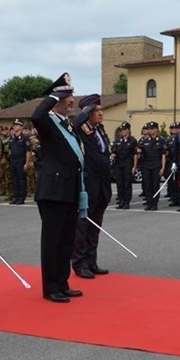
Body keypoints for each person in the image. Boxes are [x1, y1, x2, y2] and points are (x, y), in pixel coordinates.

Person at [30, 73, 85, 302]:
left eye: (71, 94)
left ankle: (62, 282)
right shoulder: (48, 122)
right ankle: (50, 287)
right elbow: (36, 115)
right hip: (53, 191)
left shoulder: (67, 125)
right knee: (52, 241)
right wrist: (53, 95)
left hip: (69, 189)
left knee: (66, 240)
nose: (71, 100)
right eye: (67, 96)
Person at [71, 95, 112, 279]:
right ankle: (80, 264)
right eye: (96, 110)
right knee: (83, 226)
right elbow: (76, 123)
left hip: (102, 183)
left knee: (96, 226)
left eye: (101, 109)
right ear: (88, 112)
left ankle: (91, 261)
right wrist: (85, 111)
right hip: (89, 183)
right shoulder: (81, 128)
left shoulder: (99, 130)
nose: (101, 113)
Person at [137, 121, 166, 210]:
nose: (150, 130)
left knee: (155, 185)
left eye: (152, 128)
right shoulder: (145, 140)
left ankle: (154, 203)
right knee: (148, 184)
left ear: (156, 129)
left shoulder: (161, 140)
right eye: (149, 129)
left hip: (156, 164)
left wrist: (163, 167)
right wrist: (139, 151)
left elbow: (163, 155)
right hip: (146, 165)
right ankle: (149, 202)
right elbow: (140, 150)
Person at [111, 121, 137, 209]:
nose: (122, 131)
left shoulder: (132, 140)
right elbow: (114, 151)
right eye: (121, 130)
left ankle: (127, 201)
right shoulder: (118, 141)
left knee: (127, 183)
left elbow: (135, 154)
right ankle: (121, 201)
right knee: (119, 183)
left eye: (124, 129)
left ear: (128, 130)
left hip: (127, 163)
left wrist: (134, 166)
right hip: (118, 164)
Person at [7, 119, 31, 204]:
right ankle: (15, 197)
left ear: (21, 127)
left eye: (17, 125)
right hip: (13, 161)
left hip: (21, 161)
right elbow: (10, 149)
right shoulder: (12, 137)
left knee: (21, 180)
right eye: (14, 125)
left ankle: (21, 197)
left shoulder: (25, 137)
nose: (15, 126)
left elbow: (28, 151)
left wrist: (27, 163)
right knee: (14, 180)